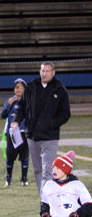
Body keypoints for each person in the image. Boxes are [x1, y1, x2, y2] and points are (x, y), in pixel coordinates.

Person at [14, 61, 70, 194]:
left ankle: (47, 198)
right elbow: (21, 107)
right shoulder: (31, 87)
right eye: (43, 71)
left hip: (50, 136)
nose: (44, 74)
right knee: (38, 170)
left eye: (47, 71)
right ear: (40, 72)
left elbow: (65, 113)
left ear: (53, 72)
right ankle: (43, 197)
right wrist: (16, 120)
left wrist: (51, 124)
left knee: (47, 170)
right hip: (32, 135)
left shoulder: (60, 89)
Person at [0, 78, 29, 186]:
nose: (18, 89)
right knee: (10, 156)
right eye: (17, 87)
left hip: (24, 132)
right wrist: (8, 104)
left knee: (24, 156)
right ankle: (9, 178)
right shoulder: (10, 101)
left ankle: (24, 178)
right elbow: (2, 115)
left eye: (21, 87)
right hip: (12, 133)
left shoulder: (28, 101)